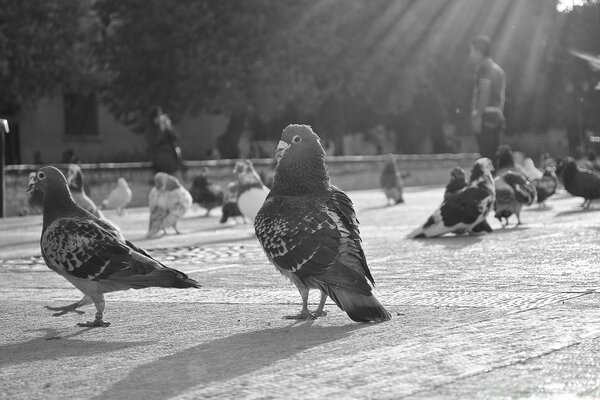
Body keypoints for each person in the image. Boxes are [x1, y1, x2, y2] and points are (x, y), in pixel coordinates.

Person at [469, 35, 506, 166]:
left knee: (486, 160)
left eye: (472, 50)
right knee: (494, 158)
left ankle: (488, 186)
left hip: (485, 117)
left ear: (479, 51)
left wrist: (478, 117)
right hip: (496, 116)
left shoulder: (483, 68)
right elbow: (501, 97)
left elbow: (485, 91)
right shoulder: (498, 70)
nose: (471, 54)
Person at [148, 105, 186, 180]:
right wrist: (161, 129)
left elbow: (175, 137)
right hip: (159, 165)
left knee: (177, 186)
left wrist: (169, 127)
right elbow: (154, 142)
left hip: (172, 163)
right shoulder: (151, 130)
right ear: (154, 119)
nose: (161, 118)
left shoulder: (166, 129)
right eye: (159, 116)